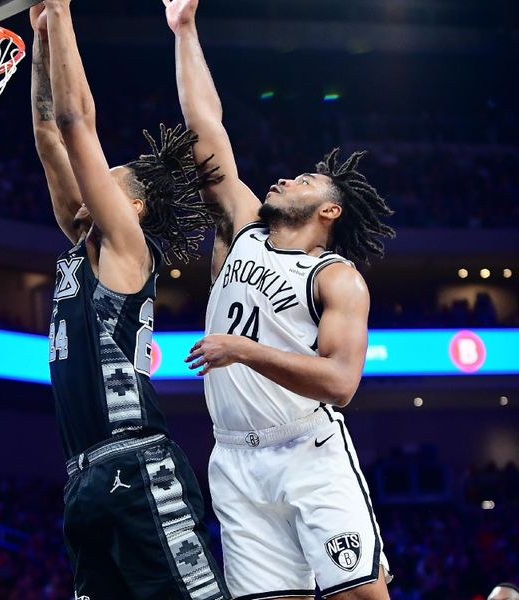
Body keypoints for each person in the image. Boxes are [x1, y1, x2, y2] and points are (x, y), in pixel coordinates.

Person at [163, 1, 396, 598]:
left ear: (329, 211)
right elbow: (205, 129)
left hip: (307, 448)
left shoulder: (335, 277)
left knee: (361, 597)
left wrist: (244, 350)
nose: (286, 179)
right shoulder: (242, 226)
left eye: (306, 181)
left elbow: (342, 383)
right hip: (233, 459)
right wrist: (185, 30)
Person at [29, 2, 229, 598]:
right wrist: (40, 32)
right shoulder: (81, 242)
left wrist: (63, 13)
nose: (90, 180)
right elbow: (47, 133)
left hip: (138, 466)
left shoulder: (125, 246)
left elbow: (73, 124)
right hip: (83, 476)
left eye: (106, 178)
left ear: (133, 208)